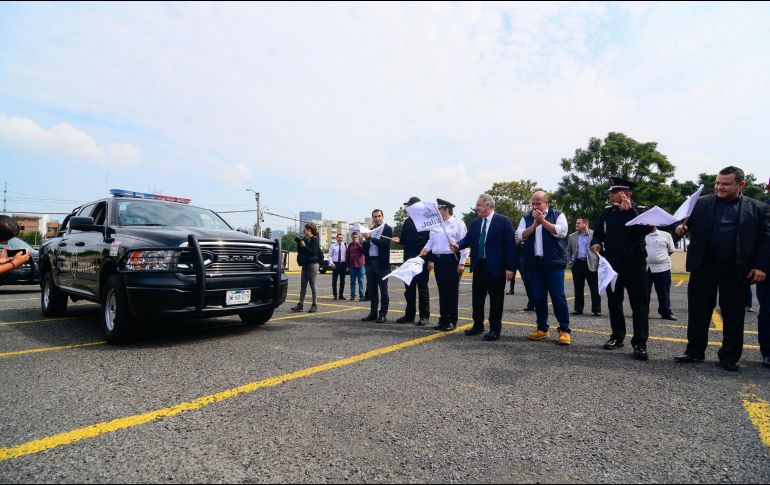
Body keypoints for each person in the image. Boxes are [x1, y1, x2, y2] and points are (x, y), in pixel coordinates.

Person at [674, 166, 770, 371]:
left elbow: (765, 240)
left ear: (740, 184)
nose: (719, 187)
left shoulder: (758, 208)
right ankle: (694, 350)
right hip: (704, 267)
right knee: (698, 311)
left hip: (736, 269)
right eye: (717, 183)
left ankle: (729, 356)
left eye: (725, 184)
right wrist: (680, 228)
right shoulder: (700, 203)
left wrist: (761, 266)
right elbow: (684, 225)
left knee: (734, 314)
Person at [591, 177, 652, 360]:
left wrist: (630, 211)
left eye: (614, 192)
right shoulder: (607, 212)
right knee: (614, 301)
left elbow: (645, 230)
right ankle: (617, 336)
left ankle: (639, 343)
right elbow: (598, 231)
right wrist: (596, 242)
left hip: (635, 262)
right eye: (610, 192)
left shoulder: (640, 211)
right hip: (613, 263)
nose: (610, 195)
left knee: (639, 304)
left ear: (625, 194)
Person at [450, 194, 515, 341]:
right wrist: (457, 245)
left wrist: (510, 267)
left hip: (496, 267)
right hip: (478, 265)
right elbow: (467, 239)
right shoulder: (475, 223)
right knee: (477, 299)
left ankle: (494, 329)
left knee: (496, 300)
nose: (476, 208)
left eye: (479, 205)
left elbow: (511, 246)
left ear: (488, 206)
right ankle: (478, 325)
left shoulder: (503, 221)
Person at [518, 191, 572, 345]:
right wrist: (535, 225)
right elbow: (521, 235)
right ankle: (542, 328)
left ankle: (564, 330)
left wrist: (543, 222)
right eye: (533, 204)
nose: (535, 206)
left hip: (553, 263)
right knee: (538, 297)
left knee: (558, 296)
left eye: (538, 203)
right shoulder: (526, 218)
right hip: (534, 264)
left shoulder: (558, 215)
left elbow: (561, 232)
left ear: (546, 203)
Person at [420, 199, 469, 331]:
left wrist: (462, 263)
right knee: (442, 291)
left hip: (452, 259)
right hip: (439, 260)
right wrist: (426, 249)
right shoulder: (436, 225)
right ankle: (443, 319)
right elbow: (431, 241)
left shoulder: (458, 224)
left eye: (439, 209)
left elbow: (464, 245)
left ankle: (452, 320)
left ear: (446, 209)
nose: (437, 212)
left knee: (452, 291)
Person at [392, 196, 431, 326]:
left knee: (422, 289)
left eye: (410, 206)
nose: (408, 208)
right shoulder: (407, 221)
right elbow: (403, 240)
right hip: (408, 260)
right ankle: (409, 315)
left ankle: (424, 316)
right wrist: (398, 240)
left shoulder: (427, 221)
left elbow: (431, 241)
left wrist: (430, 260)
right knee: (409, 289)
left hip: (421, 260)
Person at [361, 209, 393, 323]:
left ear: (382, 216)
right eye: (375, 217)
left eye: (379, 216)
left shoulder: (387, 229)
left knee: (383, 290)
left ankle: (383, 314)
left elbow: (384, 245)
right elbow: (365, 249)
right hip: (370, 262)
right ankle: (373, 313)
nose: (377, 218)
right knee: (372, 290)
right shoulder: (371, 230)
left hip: (381, 263)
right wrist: (365, 241)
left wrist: (371, 238)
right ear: (372, 218)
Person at [566, 216, 601, 317]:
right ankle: (578, 309)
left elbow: (600, 250)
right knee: (578, 288)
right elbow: (568, 250)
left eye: (578, 223)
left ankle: (596, 310)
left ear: (585, 224)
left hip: (591, 264)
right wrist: (569, 262)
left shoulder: (595, 235)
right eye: (576, 223)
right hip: (577, 264)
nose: (576, 224)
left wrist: (599, 263)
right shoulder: (572, 236)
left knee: (594, 288)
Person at [646, 226, 677, 321]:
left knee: (663, 292)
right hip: (645, 268)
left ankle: (666, 313)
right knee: (643, 292)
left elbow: (671, 250)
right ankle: (643, 312)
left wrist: (660, 258)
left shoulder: (666, 235)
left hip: (663, 268)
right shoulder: (641, 235)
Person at [291, 223, 321, 313]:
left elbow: (313, 252)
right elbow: (301, 251)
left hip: (312, 264)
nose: (304, 231)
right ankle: (300, 305)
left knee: (312, 285)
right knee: (303, 285)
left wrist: (304, 246)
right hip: (305, 264)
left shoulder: (314, 239)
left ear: (309, 230)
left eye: (305, 229)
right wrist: (299, 244)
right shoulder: (306, 239)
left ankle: (314, 305)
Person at [757, 177, 770, 368]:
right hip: (767, 270)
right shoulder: (762, 209)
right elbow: (759, 239)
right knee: (768, 310)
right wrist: (760, 266)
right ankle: (768, 352)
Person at [327, 233, 348, 300]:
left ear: (343, 238)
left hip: (343, 264)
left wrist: (347, 265)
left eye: (341, 238)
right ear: (336, 238)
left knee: (342, 281)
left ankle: (341, 295)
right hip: (335, 264)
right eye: (339, 238)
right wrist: (331, 263)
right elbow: (329, 256)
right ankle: (335, 295)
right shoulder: (332, 246)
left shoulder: (345, 245)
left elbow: (347, 256)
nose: (340, 239)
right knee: (334, 281)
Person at [346, 232, 366, 301]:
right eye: (353, 237)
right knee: (352, 281)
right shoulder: (350, 245)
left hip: (361, 265)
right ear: (352, 238)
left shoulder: (361, 244)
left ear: (358, 237)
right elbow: (347, 256)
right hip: (352, 266)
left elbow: (363, 251)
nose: (355, 238)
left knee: (361, 281)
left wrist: (358, 244)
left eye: (356, 237)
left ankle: (362, 295)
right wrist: (347, 266)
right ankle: (352, 295)